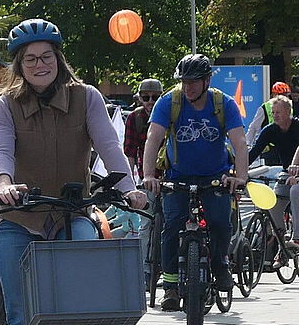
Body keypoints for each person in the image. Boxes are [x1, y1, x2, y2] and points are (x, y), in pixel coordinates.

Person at [0, 20, 147, 325]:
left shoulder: (87, 97)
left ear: (59, 59)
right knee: (21, 319)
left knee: (88, 303)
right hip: (19, 218)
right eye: (30, 59)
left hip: (71, 214)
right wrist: (4, 183)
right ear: (20, 65)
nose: (39, 64)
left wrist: (128, 187)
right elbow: (0, 151)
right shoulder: (6, 105)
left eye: (46, 56)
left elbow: (110, 148)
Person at [141, 53, 248, 311]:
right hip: (178, 175)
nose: (187, 87)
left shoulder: (223, 104)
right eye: (184, 82)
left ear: (207, 81)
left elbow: (239, 142)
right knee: (171, 225)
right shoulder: (169, 101)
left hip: (215, 175)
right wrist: (148, 175)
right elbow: (153, 138)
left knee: (220, 222)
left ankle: (221, 266)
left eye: (193, 82)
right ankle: (170, 286)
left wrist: (240, 177)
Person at [248, 96, 299, 250]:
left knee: (296, 192)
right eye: (273, 112)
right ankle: (282, 244)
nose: (275, 115)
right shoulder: (271, 130)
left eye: (278, 112)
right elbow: (254, 152)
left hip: (296, 171)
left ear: (288, 112)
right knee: (273, 204)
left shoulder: (297, 126)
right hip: (287, 172)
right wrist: (238, 168)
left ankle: (297, 238)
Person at [122, 79, 164, 179]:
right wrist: (129, 181)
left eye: (155, 97)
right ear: (140, 98)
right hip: (145, 177)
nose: (151, 101)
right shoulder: (134, 117)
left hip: (170, 176)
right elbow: (130, 152)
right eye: (146, 98)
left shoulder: (169, 115)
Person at [246, 82, 293, 146]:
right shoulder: (265, 107)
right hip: (269, 146)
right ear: (274, 95)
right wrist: (247, 143)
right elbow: (254, 127)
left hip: (287, 144)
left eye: (286, 95)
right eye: (281, 95)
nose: (284, 98)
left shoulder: (291, 107)